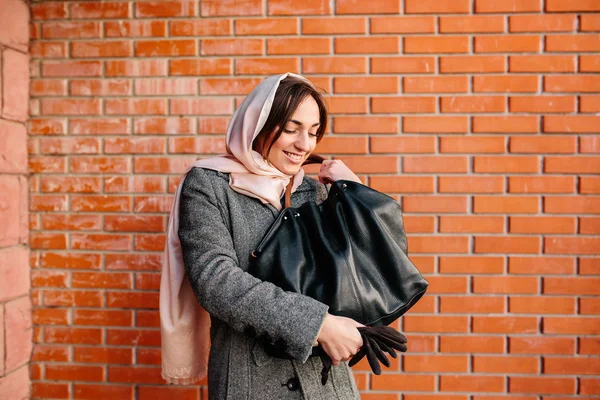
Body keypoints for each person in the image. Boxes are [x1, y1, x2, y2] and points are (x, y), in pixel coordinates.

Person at [160, 73, 366, 399]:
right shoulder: (209, 185)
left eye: (313, 133)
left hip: (327, 384)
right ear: (258, 123)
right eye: (291, 129)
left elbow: (359, 267)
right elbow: (215, 280)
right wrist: (318, 325)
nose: (304, 144)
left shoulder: (312, 191)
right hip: (251, 382)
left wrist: (353, 195)